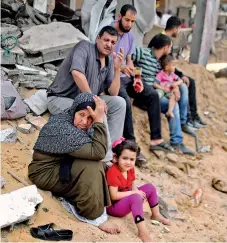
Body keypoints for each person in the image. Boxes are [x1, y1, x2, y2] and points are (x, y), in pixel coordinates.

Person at [28, 92, 120, 234]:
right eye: (81, 115)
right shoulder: (64, 130)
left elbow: (97, 150)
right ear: (74, 111)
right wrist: (99, 120)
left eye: (90, 117)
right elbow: (99, 153)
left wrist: (97, 119)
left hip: (60, 166)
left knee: (102, 167)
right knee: (93, 167)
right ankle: (93, 215)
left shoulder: (70, 122)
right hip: (44, 174)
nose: (84, 121)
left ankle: (88, 199)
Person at [46, 26, 126, 166]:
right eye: (106, 40)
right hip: (61, 98)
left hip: (84, 100)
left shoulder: (108, 61)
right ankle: (106, 162)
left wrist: (117, 69)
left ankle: (113, 150)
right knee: (99, 113)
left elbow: (113, 92)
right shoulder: (84, 47)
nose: (109, 44)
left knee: (119, 103)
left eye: (113, 42)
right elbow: (77, 73)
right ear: (98, 39)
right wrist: (94, 101)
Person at [113, 4, 174, 160]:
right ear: (119, 16)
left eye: (132, 21)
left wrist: (136, 78)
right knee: (125, 100)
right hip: (112, 77)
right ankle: (130, 144)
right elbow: (105, 60)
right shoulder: (109, 32)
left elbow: (129, 60)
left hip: (126, 78)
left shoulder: (130, 36)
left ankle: (156, 139)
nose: (129, 24)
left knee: (152, 94)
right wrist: (120, 69)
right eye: (127, 20)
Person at [133, 33, 195, 155]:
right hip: (143, 94)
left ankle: (177, 141)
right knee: (169, 102)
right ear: (166, 47)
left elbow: (170, 76)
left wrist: (175, 87)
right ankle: (175, 139)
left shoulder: (160, 62)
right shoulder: (143, 52)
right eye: (170, 47)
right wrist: (134, 74)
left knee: (174, 104)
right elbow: (128, 57)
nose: (171, 50)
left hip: (156, 95)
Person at [106, 138, 170, 242]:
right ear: (116, 158)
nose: (128, 162)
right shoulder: (113, 172)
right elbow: (113, 195)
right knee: (135, 196)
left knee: (150, 187)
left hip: (127, 199)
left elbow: (132, 185)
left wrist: (137, 192)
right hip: (114, 207)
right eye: (125, 158)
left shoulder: (130, 169)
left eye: (132, 159)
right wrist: (135, 194)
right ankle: (143, 232)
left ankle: (156, 215)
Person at [163, 16, 207, 129]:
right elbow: (165, 65)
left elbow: (170, 65)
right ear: (174, 28)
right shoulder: (164, 40)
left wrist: (181, 75)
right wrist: (179, 78)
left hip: (169, 72)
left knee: (190, 81)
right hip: (164, 76)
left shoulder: (168, 40)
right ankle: (186, 120)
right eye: (178, 29)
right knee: (185, 84)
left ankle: (193, 116)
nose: (178, 32)